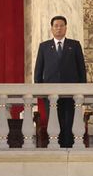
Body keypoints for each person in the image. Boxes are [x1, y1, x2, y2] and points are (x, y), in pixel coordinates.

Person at [33, 16, 87, 148]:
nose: (58, 28)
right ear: (52, 29)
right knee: (54, 120)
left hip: (71, 92)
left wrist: (82, 89)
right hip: (50, 93)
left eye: (61, 25)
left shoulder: (74, 45)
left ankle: (68, 146)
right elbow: (38, 70)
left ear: (66, 28)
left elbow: (81, 69)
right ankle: (54, 146)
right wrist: (40, 90)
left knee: (69, 121)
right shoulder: (44, 46)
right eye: (56, 26)